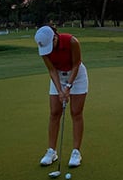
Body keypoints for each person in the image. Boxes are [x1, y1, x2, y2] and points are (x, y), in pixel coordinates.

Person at [34, 25, 88, 167]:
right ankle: (52, 151)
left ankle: (76, 152)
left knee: (76, 112)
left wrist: (68, 87)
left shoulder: (72, 42)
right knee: (54, 113)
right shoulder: (43, 48)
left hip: (77, 76)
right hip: (58, 75)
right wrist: (60, 91)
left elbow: (76, 64)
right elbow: (51, 70)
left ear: (55, 37)